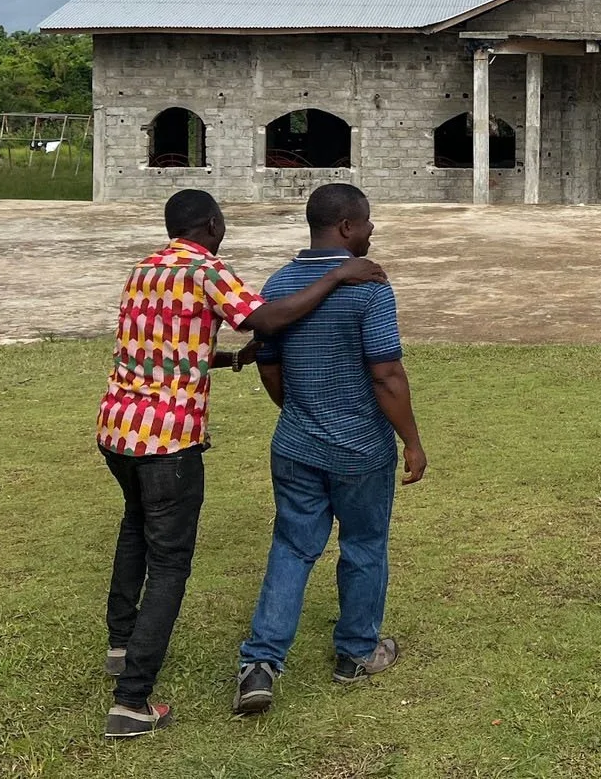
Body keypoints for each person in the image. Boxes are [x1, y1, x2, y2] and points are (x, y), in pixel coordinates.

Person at [96, 188, 386, 741]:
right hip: (166, 440)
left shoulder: (145, 270)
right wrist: (336, 276)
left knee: (135, 529)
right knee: (170, 564)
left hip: (117, 429)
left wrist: (230, 360)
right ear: (212, 223)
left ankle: (120, 644)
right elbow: (266, 318)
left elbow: (161, 350)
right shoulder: (205, 269)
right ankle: (131, 701)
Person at [232, 182, 426, 716]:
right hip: (361, 450)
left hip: (295, 445)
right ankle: (356, 653)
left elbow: (269, 365)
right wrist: (411, 441)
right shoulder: (369, 285)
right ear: (346, 227)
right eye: (367, 221)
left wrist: (299, 411)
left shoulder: (279, 283)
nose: (372, 230)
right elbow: (386, 374)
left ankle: (260, 664)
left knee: (292, 547)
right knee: (364, 545)